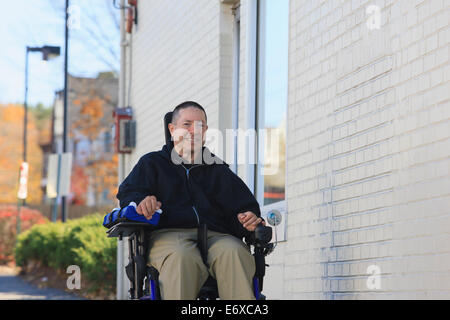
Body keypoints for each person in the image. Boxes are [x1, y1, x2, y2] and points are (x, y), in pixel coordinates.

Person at [116, 101, 264, 300]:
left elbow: (245, 206)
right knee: (182, 257)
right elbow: (128, 194)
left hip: (216, 236)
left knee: (234, 252)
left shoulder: (218, 169)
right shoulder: (152, 164)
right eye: (187, 124)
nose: (194, 130)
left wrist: (249, 218)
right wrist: (142, 200)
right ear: (172, 129)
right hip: (168, 235)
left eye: (200, 125)